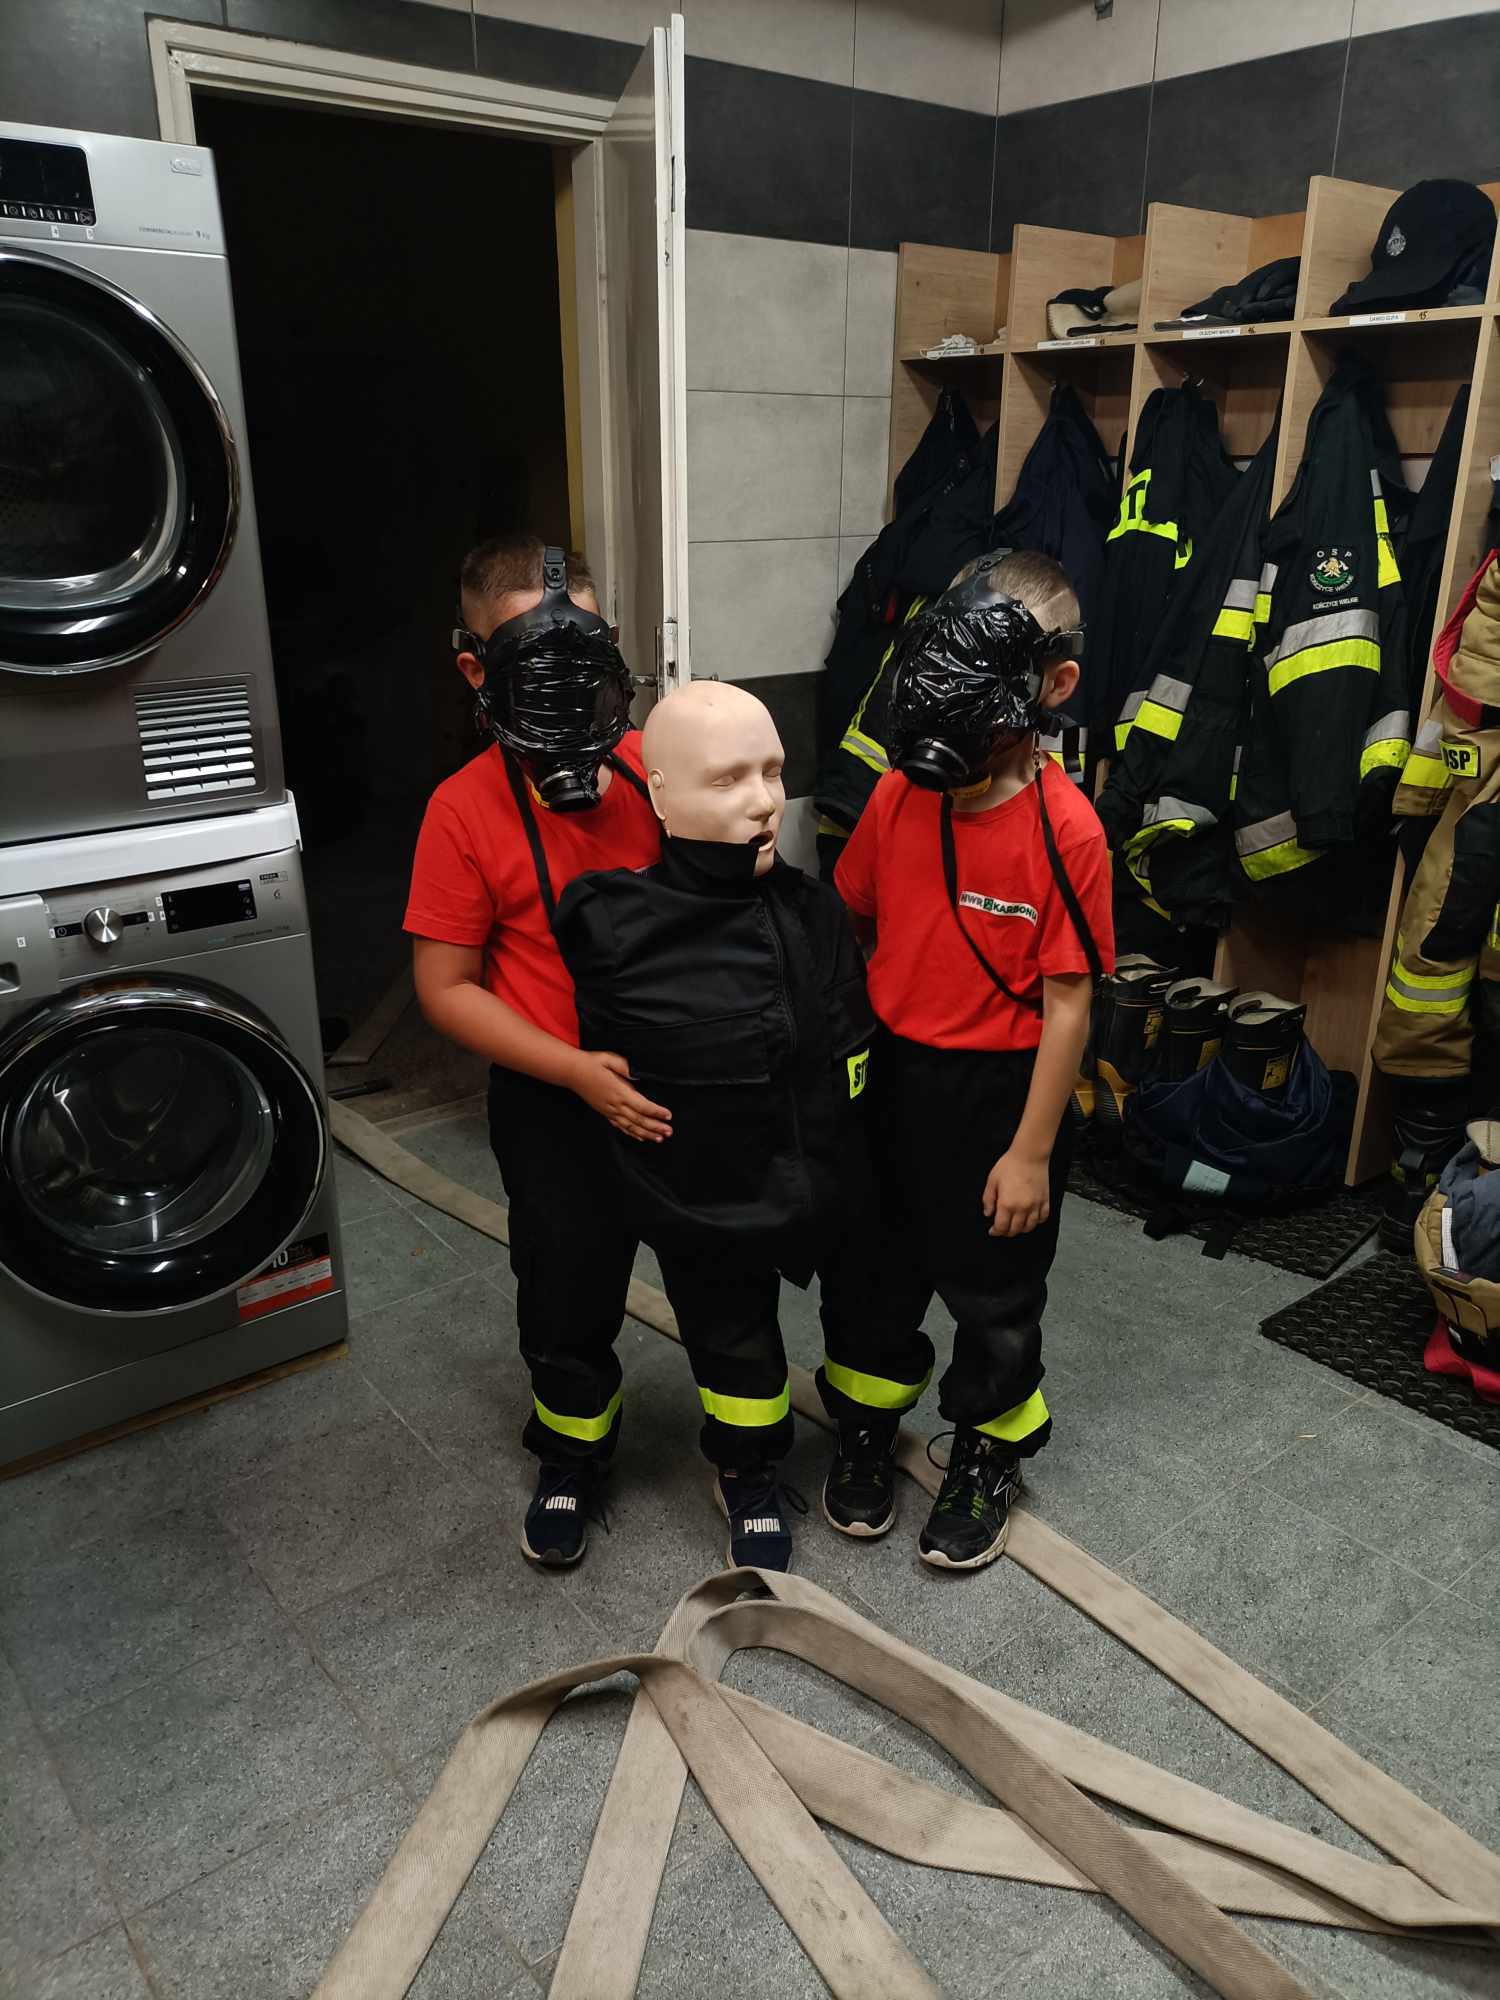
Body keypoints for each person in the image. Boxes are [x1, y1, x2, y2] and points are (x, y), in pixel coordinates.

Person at [823, 549, 1115, 1570]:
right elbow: (854, 920)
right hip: (891, 1075)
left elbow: (1069, 1003)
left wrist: (1030, 1152)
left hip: (1001, 1095)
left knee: (994, 1289)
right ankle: (865, 1423)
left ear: (1051, 687)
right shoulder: (898, 796)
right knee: (871, 1270)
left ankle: (990, 1448)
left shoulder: (1068, 831)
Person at [553, 682, 880, 1572]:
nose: (765, 801)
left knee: (855, 1327)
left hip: (821, 1177)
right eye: (730, 778)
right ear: (659, 795)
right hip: (700, 1194)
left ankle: (845, 1441)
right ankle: (734, 1469)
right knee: (723, 1341)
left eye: (773, 771)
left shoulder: (816, 913)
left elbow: (848, 1051)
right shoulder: (611, 924)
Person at [404, 534, 664, 1569]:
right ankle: (572, 1450)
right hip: (556, 1101)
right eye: (531, 658)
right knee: (564, 1286)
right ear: (477, 667)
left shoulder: (659, 768)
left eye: (581, 651)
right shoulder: (462, 808)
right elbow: (445, 987)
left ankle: (745, 1453)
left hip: (678, 1087)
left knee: (720, 1273)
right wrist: (571, 1070)